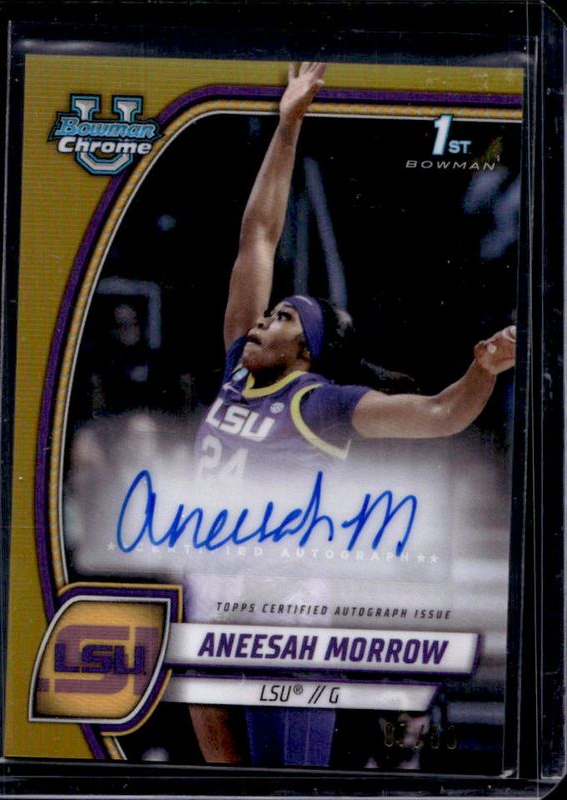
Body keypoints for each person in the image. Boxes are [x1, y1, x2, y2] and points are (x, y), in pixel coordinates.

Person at [189, 62, 516, 767]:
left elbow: (439, 414)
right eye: (268, 311)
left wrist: (481, 372)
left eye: (281, 317)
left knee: (289, 781)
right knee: (225, 780)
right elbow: (259, 236)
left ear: (306, 349)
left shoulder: (321, 403)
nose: (262, 320)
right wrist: (288, 124)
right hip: (214, 595)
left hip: (285, 609)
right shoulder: (236, 370)